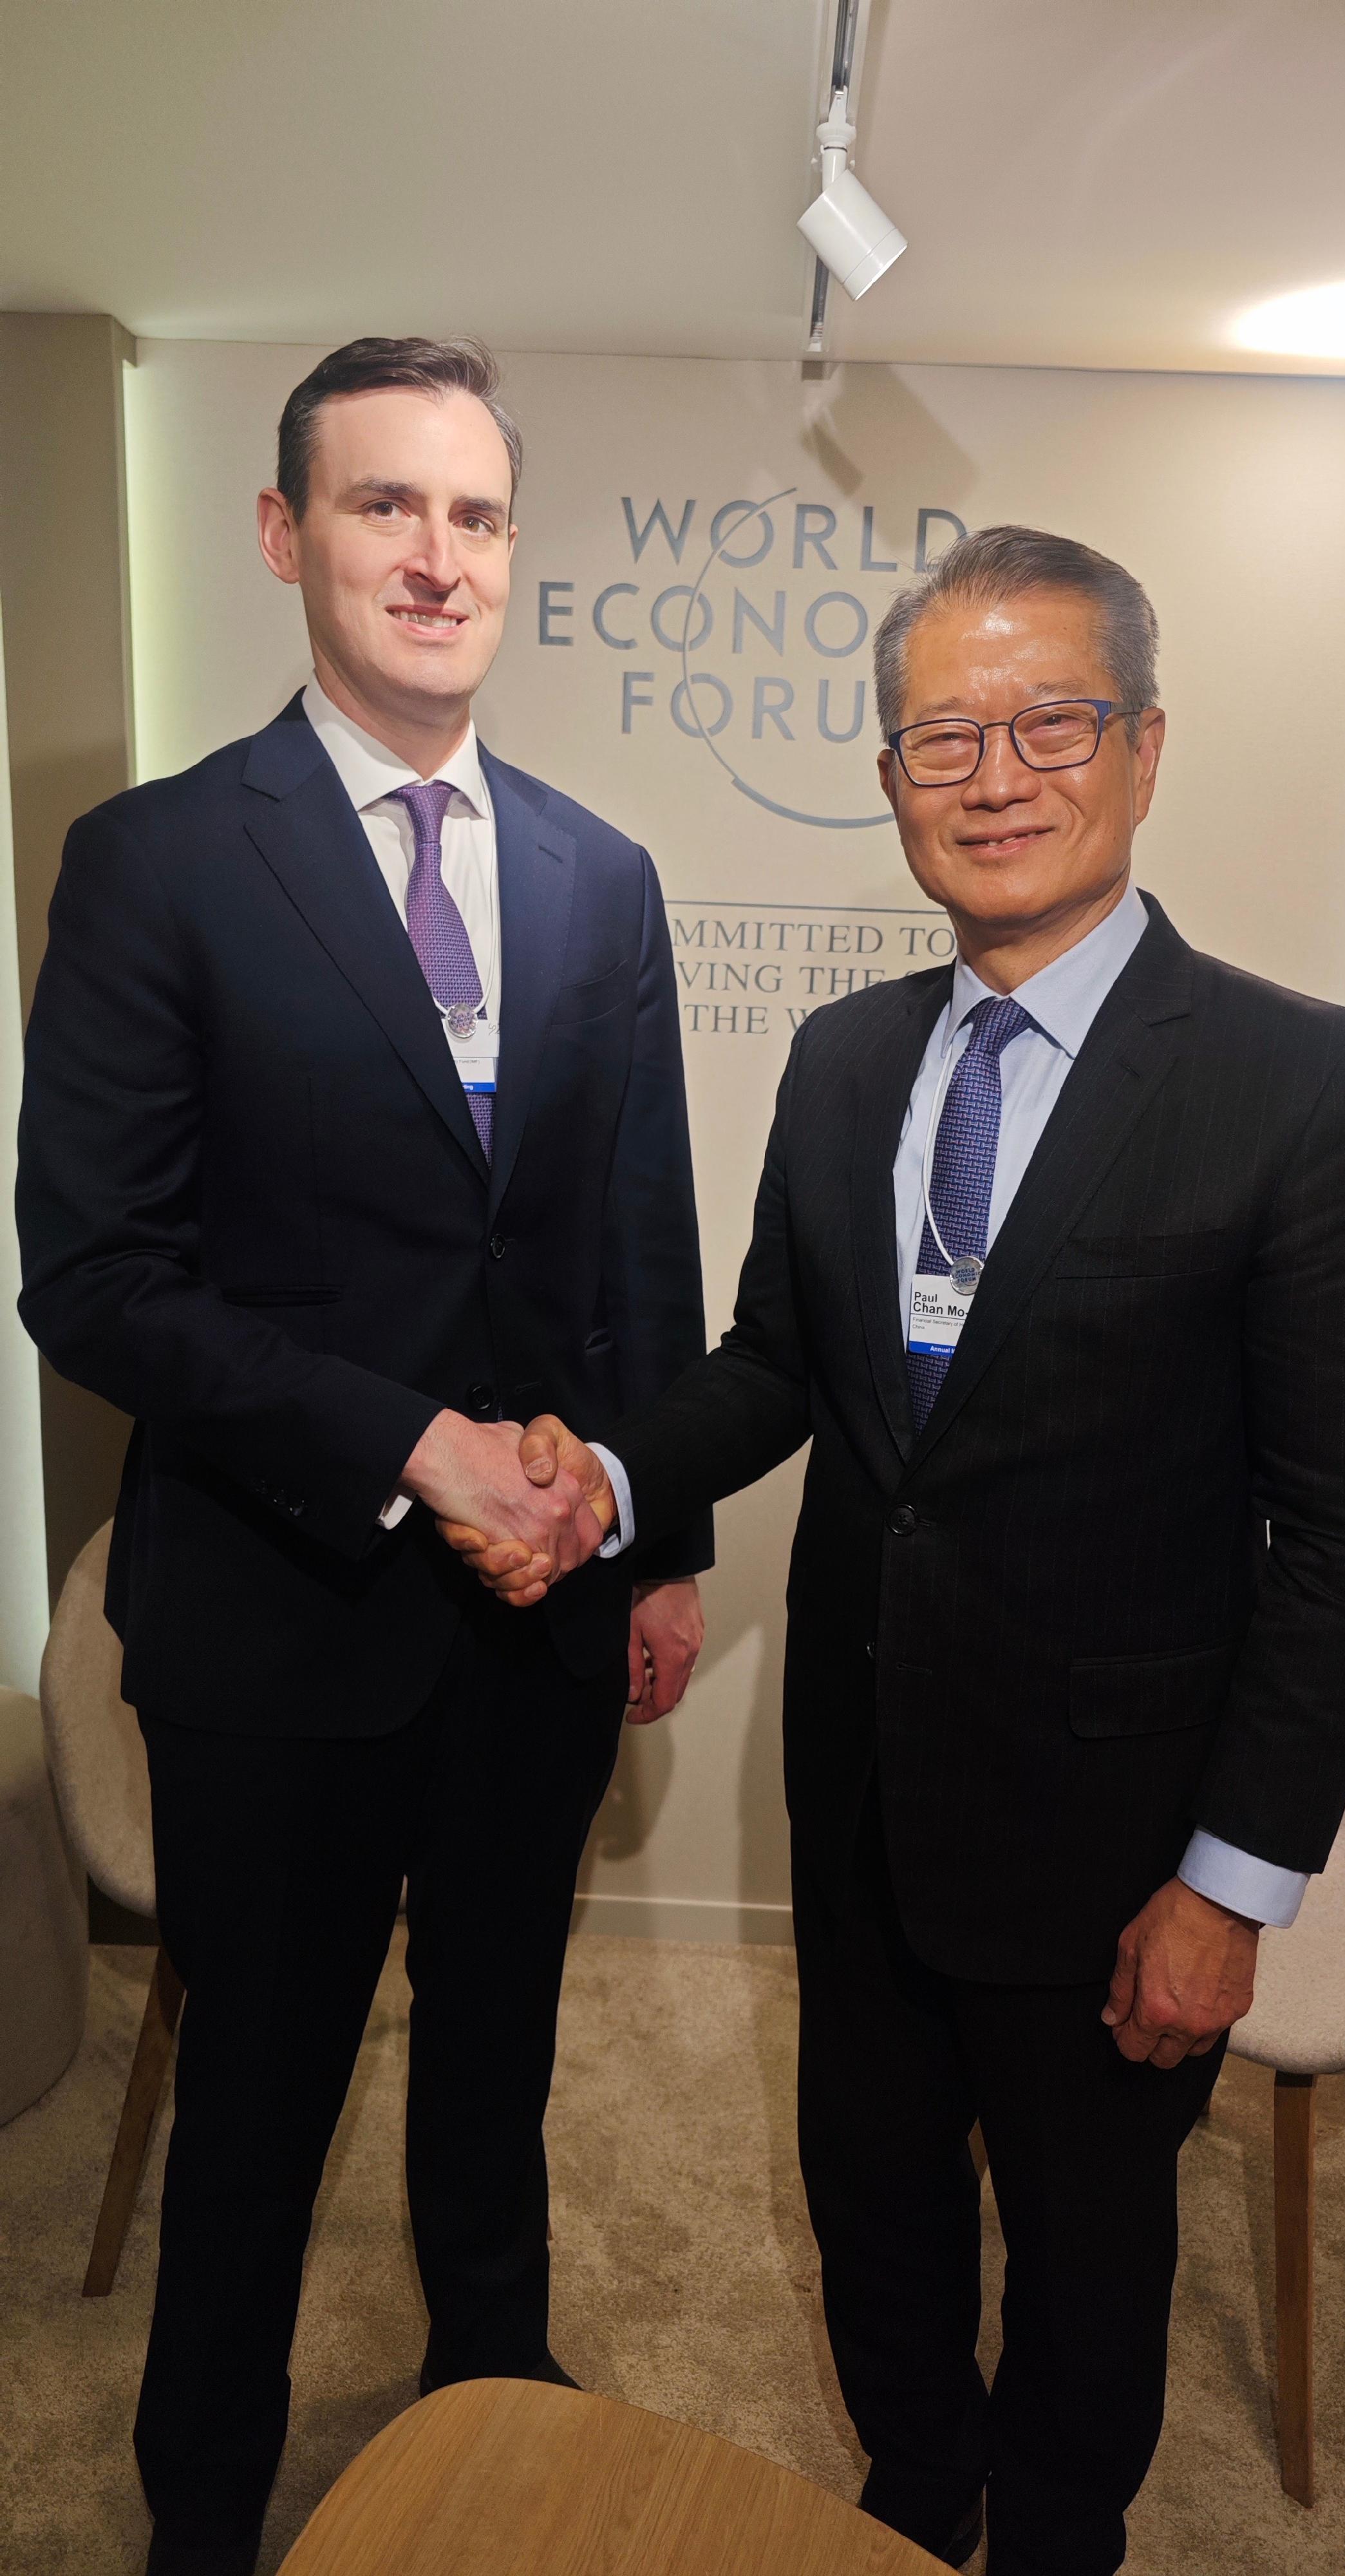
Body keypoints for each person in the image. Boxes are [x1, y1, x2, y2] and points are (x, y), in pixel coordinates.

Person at [444, 527, 1345, 2576]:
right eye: (936, 739)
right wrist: (602, 1482)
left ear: (1143, 748)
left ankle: (1058, 2532)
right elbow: (773, 1372)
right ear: (890, 780)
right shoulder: (840, 1063)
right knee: (870, 2202)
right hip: (870, 1791)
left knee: (1085, 2267)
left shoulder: (1302, 1087)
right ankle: (913, 2497)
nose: (992, 775)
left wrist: (1227, 1883)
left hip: (1118, 1844)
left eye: (1046, 721)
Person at [16, 335, 710, 2576]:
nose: (435, 554)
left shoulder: (603, 880)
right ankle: (201, 2514)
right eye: (384, 505)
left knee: (495, 2090)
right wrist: (417, 1445)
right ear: (284, 536)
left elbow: (633, 1243)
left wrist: (650, 1522)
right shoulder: (153, 863)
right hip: (276, 1617)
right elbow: (96, 1279)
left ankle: (491, 2432)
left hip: (533, 1621)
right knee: (256, 2121)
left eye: (476, 514)